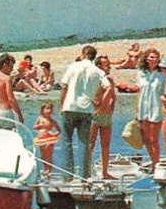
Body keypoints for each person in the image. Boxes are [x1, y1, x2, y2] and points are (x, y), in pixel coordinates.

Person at [59, 44, 108, 179]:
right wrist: (99, 102)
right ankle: (84, 176)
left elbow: (64, 86)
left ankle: (68, 174)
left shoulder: (74, 66)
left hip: (70, 107)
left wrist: (61, 105)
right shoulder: (97, 71)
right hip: (86, 109)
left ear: (83, 54)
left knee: (67, 141)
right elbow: (107, 86)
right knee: (84, 143)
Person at [136, 48, 165, 169]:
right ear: (146, 59)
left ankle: (155, 164)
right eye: (152, 57)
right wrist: (136, 110)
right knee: (146, 139)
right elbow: (138, 91)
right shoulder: (140, 73)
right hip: (143, 108)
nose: (154, 59)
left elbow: (165, 92)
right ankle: (153, 161)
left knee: (154, 139)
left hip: (156, 109)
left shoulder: (162, 75)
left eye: (156, 57)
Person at [89, 54, 116, 179]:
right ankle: (87, 171)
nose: (109, 66)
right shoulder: (95, 79)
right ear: (99, 66)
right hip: (95, 115)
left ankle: (105, 172)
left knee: (105, 145)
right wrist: (96, 105)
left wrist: (111, 108)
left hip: (106, 115)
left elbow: (113, 96)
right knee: (90, 144)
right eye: (106, 64)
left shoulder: (110, 80)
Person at [33, 103, 60, 174]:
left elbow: (59, 130)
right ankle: (45, 168)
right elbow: (34, 127)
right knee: (43, 155)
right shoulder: (40, 119)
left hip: (49, 139)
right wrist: (39, 125)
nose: (49, 110)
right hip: (41, 140)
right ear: (42, 110)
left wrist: (55, 134)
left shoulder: (52, 121)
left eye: (51, 109)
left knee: (49, 154)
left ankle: (49, 169)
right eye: (47, 108)